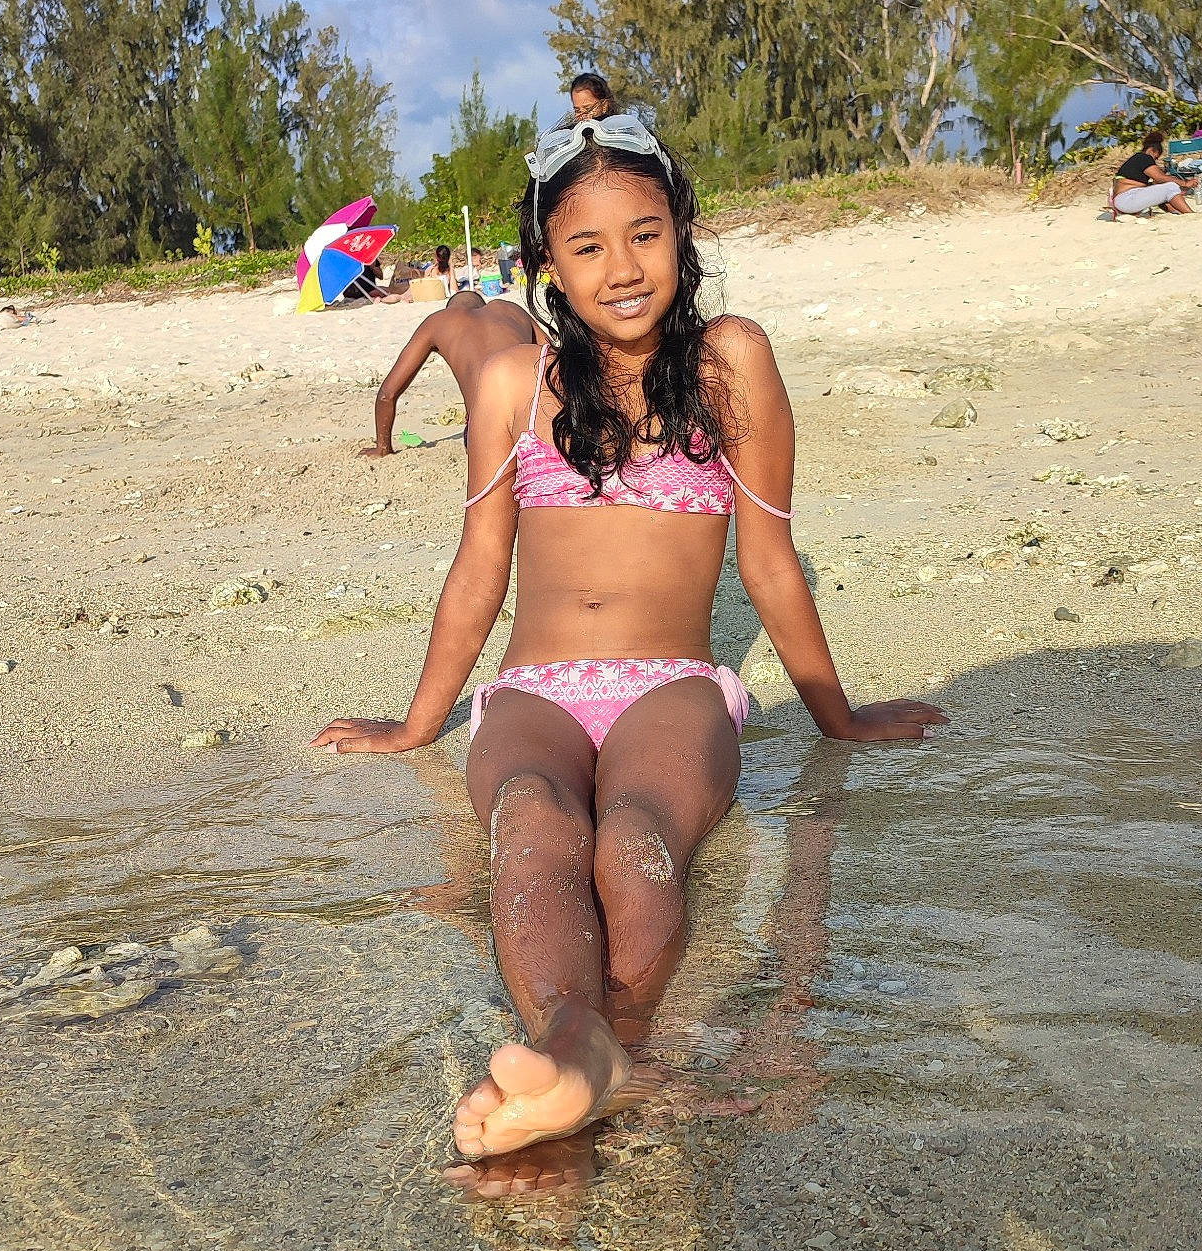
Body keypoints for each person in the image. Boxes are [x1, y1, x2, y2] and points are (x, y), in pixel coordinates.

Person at [313, 114, 945, 1157]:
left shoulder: (731, 363)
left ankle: (608, 1052)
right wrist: (416, 724)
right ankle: (573, 1041)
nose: (622, 267)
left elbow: (771, 563)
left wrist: (843, 716)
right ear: (547, 266)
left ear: (683, 230)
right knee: (531, 823)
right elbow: (480, 571)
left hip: (673, 684)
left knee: (635, 838)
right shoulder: (516, 386)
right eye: (588, 245)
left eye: (644, 233)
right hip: (532, 691)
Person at [363, 290, 541, 458]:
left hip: (487, 429)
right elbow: (556, 360)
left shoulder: (439, 321)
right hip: (538, 419)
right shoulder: (512, 310)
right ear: (482, 305)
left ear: (450, 308)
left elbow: (387, 394)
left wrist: (382, 447)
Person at [1111, 133, 1195, 217]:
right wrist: (1185, 183)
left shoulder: (1137, 159)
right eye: (1156, 157)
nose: (1154, 161)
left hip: (1124, 201)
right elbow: (1160, 178)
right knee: (1171, 187)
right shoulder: (1144, 157)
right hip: (1127, 199)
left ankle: (1176, 213)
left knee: (1163, 188)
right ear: (1151, 150)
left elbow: (1158, 187)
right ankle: (1190, 214)